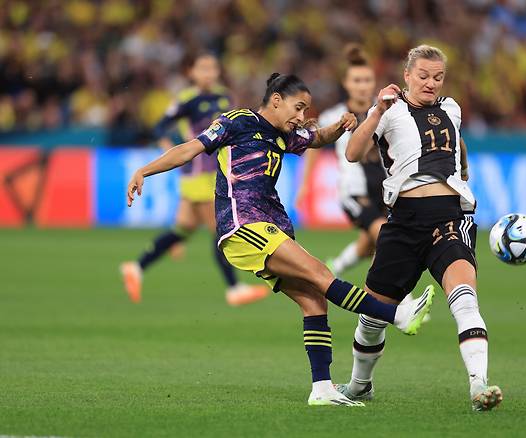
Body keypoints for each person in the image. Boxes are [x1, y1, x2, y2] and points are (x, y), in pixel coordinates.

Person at [126, 73, 436, 406]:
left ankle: (322, 390)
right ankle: (398, 315)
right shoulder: (238, 121)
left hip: (270, 225)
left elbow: (316, 138)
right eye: (298, 107)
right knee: (320, 273)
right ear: (276, 99)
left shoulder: (283, 135)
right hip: (244, 225)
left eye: (305, 110)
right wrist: (145, 169)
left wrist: (342, 128)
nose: (301, 116)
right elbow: (190, 148)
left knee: (313, 299)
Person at [337, 45, 503, 411]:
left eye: (438, 77)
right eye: (424, 76)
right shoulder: (389, 110)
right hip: (403, 223)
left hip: (450, 219)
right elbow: (352, 152)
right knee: (373, 314)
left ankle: (480, 386)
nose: (431, 83)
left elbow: (456, 141)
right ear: (407, 75)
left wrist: (463, 167)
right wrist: (377, 109)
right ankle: (359, 385)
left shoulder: (451, 108)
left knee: (464, 297)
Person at [120, 52, 268, 306]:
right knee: (221, 231)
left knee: (183, 228)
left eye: (212, 68)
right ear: (192, 72)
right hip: (198, 173)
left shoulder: (226, 96)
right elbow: (160, 126)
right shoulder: (187, 99)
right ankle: (234, 288)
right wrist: (167, 145)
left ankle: (136, 267)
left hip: (218, 170)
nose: (208, 73)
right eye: (203, 68)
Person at [297, 44, 387, 276]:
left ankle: (333, 270)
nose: (362, 86)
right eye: (356, 80)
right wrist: (305, 184)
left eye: (366, 80)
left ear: (373, 84)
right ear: (346, 84)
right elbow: (314, 147)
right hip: (355, 191)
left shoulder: (386, 113)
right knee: (387, 237)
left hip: (387, 189)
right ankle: (403, 303)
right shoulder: (333, 115)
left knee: (369, 244)